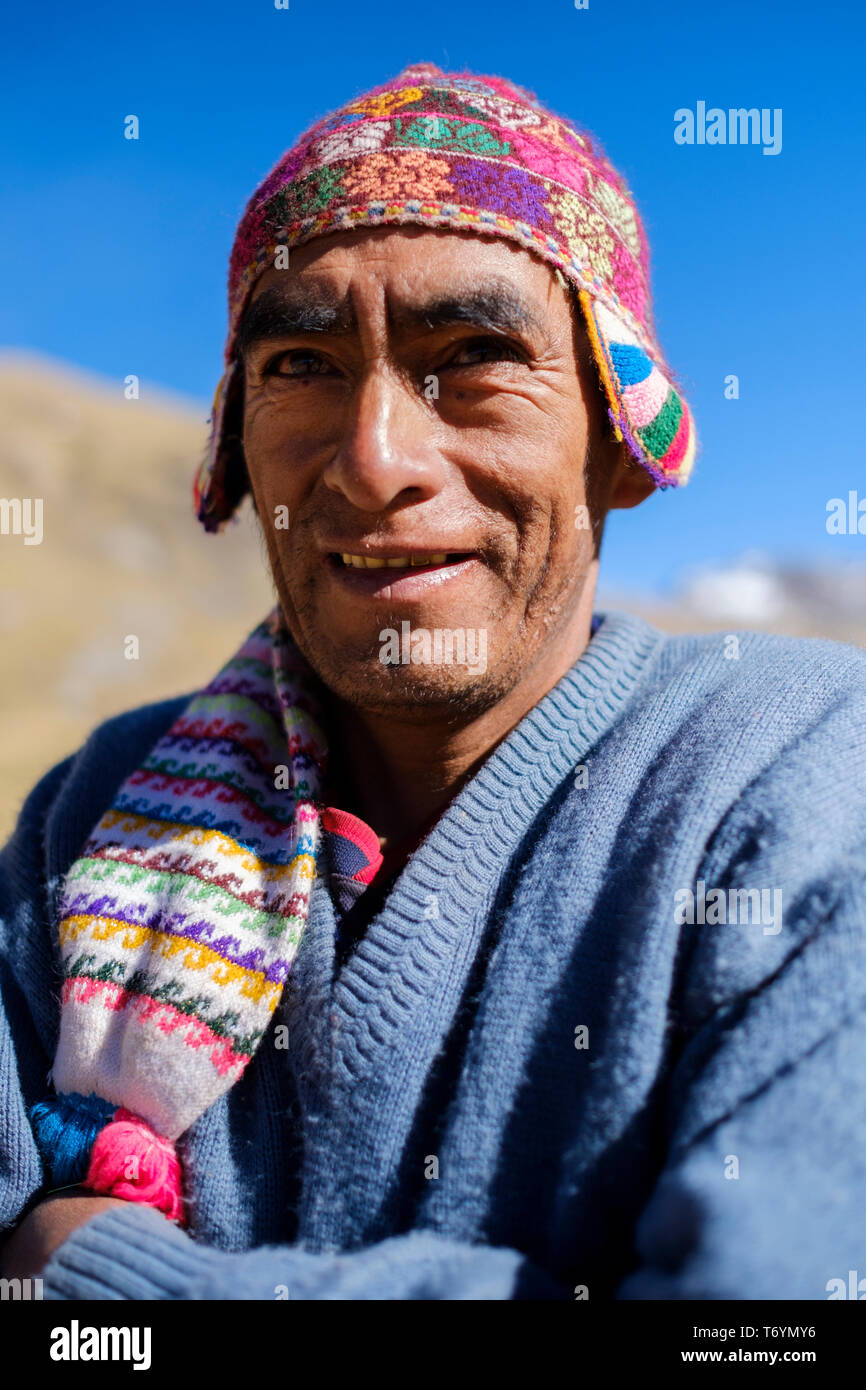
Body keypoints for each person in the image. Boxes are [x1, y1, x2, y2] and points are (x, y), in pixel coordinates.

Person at [1, 62, 864, 1301]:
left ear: (617, 440)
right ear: (235, 439)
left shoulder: (801, 780)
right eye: (299, 362)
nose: (374, 459)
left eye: (471, 353)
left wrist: (107, 1274)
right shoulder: (92, 811)